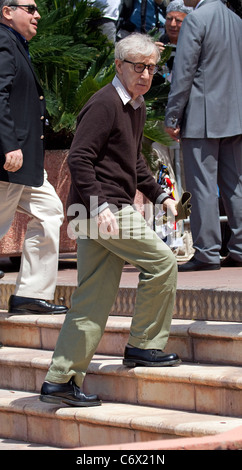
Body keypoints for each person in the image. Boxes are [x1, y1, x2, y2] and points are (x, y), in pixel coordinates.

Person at [40, 33, 180, 408]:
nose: (146, 74)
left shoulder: (135, 105)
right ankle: (144, 345)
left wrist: (160, 195)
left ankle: (60, 380)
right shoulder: (103, 103)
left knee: (91, 299)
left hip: (96, 211)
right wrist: (101, 205)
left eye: (151, 67)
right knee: (163, 262)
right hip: (102, 210)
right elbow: (79, 159)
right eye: (138, 66)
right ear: (118, 66)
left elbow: (133, 160)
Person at [0, 0, 68, 314]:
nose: (37, 14)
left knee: (50, 210)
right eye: (30, 7)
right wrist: (8, 144)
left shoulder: (16, 44)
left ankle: (29, 293)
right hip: (8, 161)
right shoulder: (3, 41)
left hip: (24, 164)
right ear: (7, 11)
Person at [165, 0, 242, 271]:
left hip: (202, 115)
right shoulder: (236, 20)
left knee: (202, 186)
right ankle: (240, 248)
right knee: (236, 184)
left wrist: (172, 116)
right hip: (235, 114)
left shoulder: (196, 19)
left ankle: (207, 252)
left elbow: (183, 73)